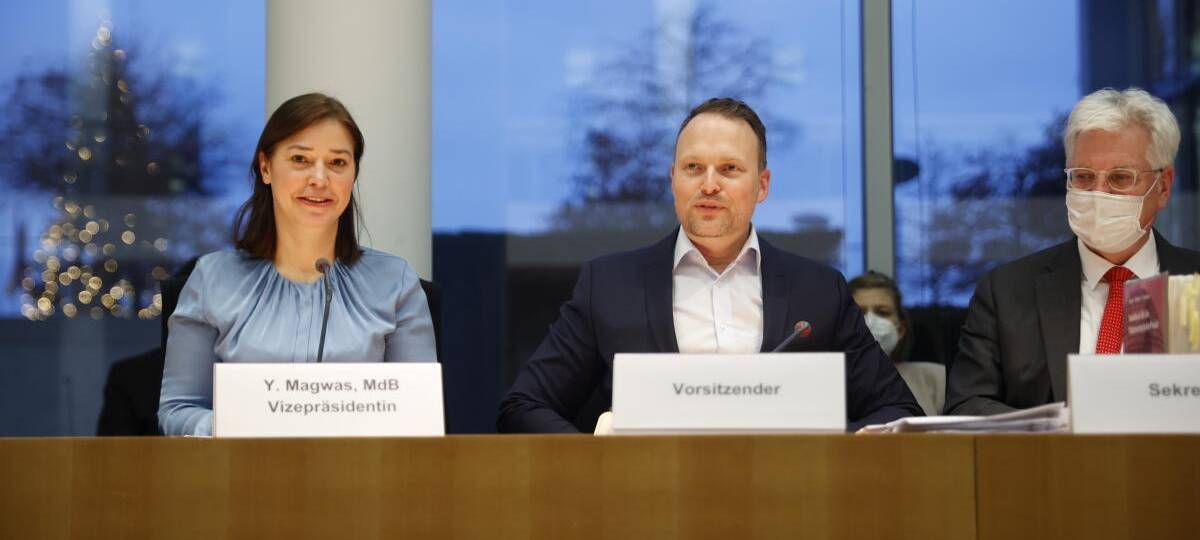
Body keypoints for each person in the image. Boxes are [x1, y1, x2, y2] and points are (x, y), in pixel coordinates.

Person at [498, 98, 921, 433]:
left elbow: (897, 410)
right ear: (673, 179)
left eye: (730, 169)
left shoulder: (818, 290)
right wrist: (603, 460)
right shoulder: (609, 285)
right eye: (693, 168)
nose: (709, 184)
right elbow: (523, 408)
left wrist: (828, 443)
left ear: (762, 185)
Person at [158, 93, 437, 436]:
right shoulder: (211, 279)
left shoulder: (395, 283)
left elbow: (419, 419)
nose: (320, 179)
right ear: (265, 167)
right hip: (243, 477)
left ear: (353, 174)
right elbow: (178, 410)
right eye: (301, 159)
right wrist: (238, 424)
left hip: (362, 481)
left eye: (337, 163)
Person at [946, 87, 1200, 415]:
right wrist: (1055, 436)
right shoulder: (1007, 292)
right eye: (1082, 177)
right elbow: (965, 406)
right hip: (1047, 464)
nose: (1098, 193)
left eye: (1120, 178)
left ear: (1163, 186)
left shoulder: (1194, 281)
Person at [849, 271, 945, 417]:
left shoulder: (935, 378)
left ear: (900, 329)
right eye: (859, 312)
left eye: (882, 312)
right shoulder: (829, 381)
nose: (870, 321)